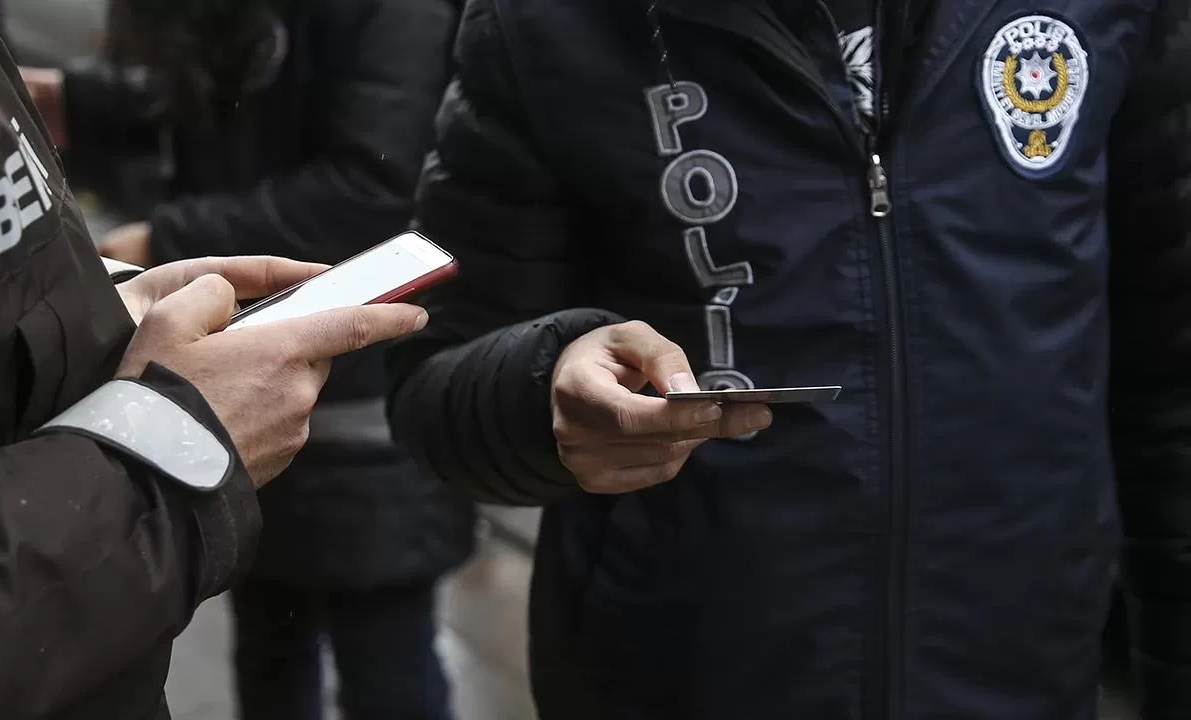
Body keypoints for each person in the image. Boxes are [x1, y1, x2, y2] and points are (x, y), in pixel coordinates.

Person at [386, 0, 1191, 718]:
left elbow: (1169, 383)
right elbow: (433, 377)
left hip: (1021, 666)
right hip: (679, 674)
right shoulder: (544, 26)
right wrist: (544, 389)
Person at [0, 1, 430, 718]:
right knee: (278, 654)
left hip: (340, 423)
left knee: (383, 657)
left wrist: (104, 297)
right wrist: (165, 447)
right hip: (205, 446)